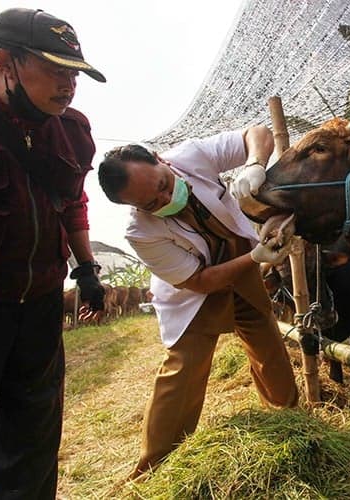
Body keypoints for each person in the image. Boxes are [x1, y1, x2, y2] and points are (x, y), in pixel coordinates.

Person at [0, 8, 106, 498]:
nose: (68, 85)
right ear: (5, 62)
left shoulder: (73, 131)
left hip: (40, 306)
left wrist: (86, 270)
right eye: (54, 69)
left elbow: (71, 202)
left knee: (32, 447)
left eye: (74, 73)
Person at [97, 127, 299, 479]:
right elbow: (199, 281)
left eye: (162, 185)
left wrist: (254, 164)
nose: (163, 200)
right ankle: (155, 468)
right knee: (184, 369)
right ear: (134, 207)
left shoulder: (191, 156)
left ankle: (290, 419)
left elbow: (257, 133)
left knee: (267, 342)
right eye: (150, 204)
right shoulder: (140, 232)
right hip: (195, 293)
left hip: (240, 263)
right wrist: (255, 257)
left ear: (161, 160)